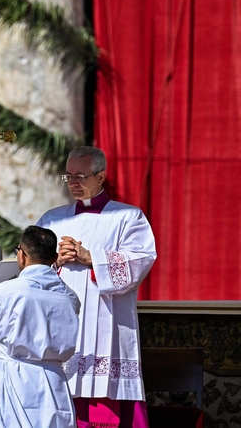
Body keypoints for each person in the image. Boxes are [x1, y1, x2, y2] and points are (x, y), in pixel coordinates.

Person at [37, 146, 157, 428]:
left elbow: (140, 261)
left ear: (101, 177)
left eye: (80, 176)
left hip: (107, 323)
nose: (74, 183)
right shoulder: (52, 219)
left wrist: (91, 258)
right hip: (61, 325)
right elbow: (29, 267)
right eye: (68, 177)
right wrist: (55, 260)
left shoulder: (128, 217)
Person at [0, 225, 81, 428]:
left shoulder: (6, 293)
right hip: (54, 383)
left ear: (22, 256)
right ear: (55, 259)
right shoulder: (70, 297)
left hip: (16, 383)